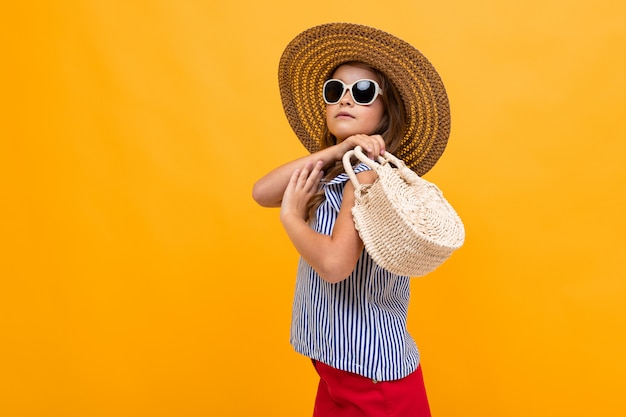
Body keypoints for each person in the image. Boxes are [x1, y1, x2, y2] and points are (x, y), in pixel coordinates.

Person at [252, 23, 451, 417]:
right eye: (335, 91)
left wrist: (292, 217)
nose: (345, 99)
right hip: (338, 367)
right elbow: (262, 192)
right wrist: (336, 149)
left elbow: (334, 265)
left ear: (385, 111)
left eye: (362, 93)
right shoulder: (340, 169)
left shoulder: (366, 178)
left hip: (373, 379)